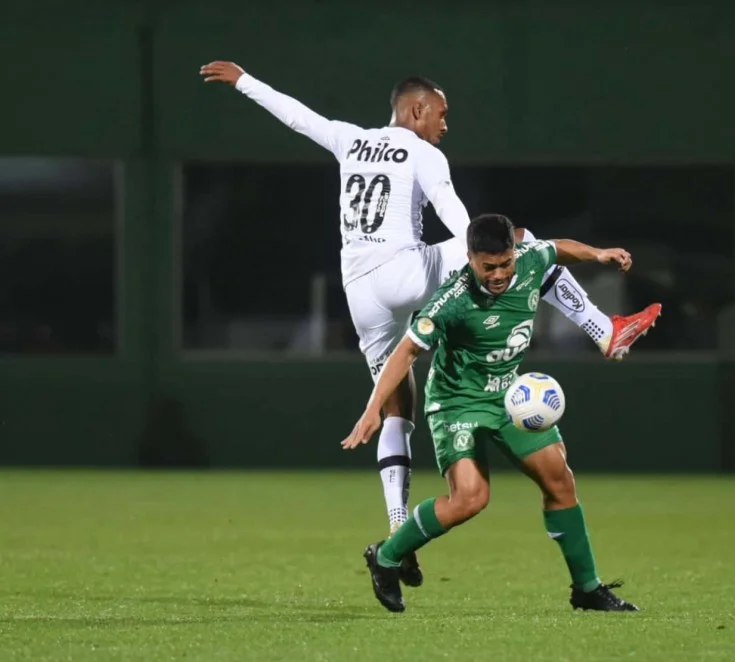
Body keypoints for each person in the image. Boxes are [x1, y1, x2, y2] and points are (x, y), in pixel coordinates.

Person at [199, 61, 661, 589]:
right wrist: (488, 257)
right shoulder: (423, 152)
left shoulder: (350, 139)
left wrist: (244, 81)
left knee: (398, 403)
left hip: (359, 289)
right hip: (403, 269)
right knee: (518, 238)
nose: (445, 125)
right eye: (441, 114)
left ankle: (398, 529)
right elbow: (456, 214)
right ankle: (605, 331)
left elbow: (298, 117)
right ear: (417, 110)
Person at [341, 214, 644, 613]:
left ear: (514, 253)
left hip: (507, 398)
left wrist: (598, 254)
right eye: (488, 267)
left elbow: (558, 247)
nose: (499, 274)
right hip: (456, 402)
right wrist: (372, 409)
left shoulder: (531, 258)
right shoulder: (451, 300)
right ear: (469, 258)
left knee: (560, 481)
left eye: (505, 263)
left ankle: (587, 588)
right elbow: (406, 351)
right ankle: (385, 556)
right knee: (470, 498)